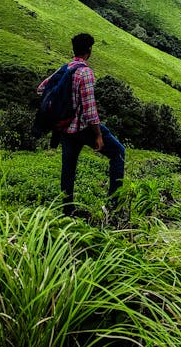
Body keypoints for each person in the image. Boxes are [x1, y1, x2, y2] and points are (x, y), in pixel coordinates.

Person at [37, 33, 125, 218]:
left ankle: (67, 210)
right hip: (84, 129)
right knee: (118, 152)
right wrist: (98, 135)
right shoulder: (85, 72)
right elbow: (90, 109)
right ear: (89, 50)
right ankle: (113, 206)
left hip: (66, 129)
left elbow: (41, 88)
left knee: (68, 167)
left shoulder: (65, 68)